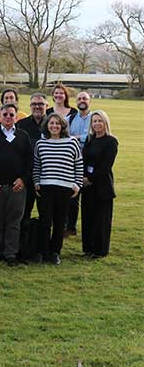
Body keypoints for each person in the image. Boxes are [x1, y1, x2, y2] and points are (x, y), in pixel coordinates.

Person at [0, 103, 33, 266]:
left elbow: (29, 161)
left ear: (16, 117)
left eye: (11, 115)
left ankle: (11, 253)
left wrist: (23, 179)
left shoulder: (23, 136)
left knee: (14, 221)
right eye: (5, 114)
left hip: (17, 187)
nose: (8, 117)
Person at [33, 113, 83, 265]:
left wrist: (77, 184)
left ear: (62, 126)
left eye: (57, 123)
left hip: (65, 188)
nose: (54, 126)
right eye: (51, 123)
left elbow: (78, 165)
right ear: (47, 126)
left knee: (60, 222)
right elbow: (37, 165)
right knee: (45, 221)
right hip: (46, 187)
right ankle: (43, 251)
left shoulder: (72, 142)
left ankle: (55, 252)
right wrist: (36, 182)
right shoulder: (41, 143)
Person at [81, 110, 118, 258]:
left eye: (99, 121)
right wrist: (83, 176)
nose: (97, 124)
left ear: (105, 123)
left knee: (101, 219)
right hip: (87, 186)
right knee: (88, 217)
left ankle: (100, 250)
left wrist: (90, 178)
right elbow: (84, 160)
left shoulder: (111, 141)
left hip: (102, 185)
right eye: (94, 121)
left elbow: (106, 166)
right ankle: (88, 248)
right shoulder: (90, 139)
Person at [16, 93, 48, 260]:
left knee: (46, 216)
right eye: (34, 104)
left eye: (41, 104)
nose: (37, 107)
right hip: (27, 178)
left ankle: (42, 250)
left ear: (46, 105)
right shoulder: (21, 124)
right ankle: (22, 248)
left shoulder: (53, 123)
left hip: (47, 177)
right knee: (23, 214)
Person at [66, 91, 93, 235]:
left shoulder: (95, 117)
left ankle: (89, 229)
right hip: (73, 161)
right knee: (72, 195)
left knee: (88, 197)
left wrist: (77, 137)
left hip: (90, 161)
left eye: (85, 98)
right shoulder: (71, 118)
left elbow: (94, 135)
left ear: (90, 101)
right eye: (79, 99)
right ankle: (70, 227)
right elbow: (65, 135)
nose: (82, 101)